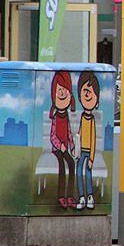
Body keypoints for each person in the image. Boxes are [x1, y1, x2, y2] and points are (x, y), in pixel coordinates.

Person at [49, 70, 77, 209]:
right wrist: (60, 146)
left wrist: (72, 146)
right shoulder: (55, 117)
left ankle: (70, 195)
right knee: (60, 165)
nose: (62, 94)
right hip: (57, 149)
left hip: (65, 148)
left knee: (71, 164)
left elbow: (69, 133)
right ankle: (61, 196)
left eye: (65, 91)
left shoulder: (66, 116)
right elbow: (52, 135)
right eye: (59, 90)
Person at [75, 70, 99, 210]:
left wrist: (91, 158)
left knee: (87, 172)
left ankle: (89, 195)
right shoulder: (83, 117)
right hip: (80, 151)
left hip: (88, 151)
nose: (87, 95)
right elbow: (79, 132)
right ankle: (81, 197)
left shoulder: (92, 120)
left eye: (90, 92)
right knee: (79, 172)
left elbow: (93, 138)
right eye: (84, 91)